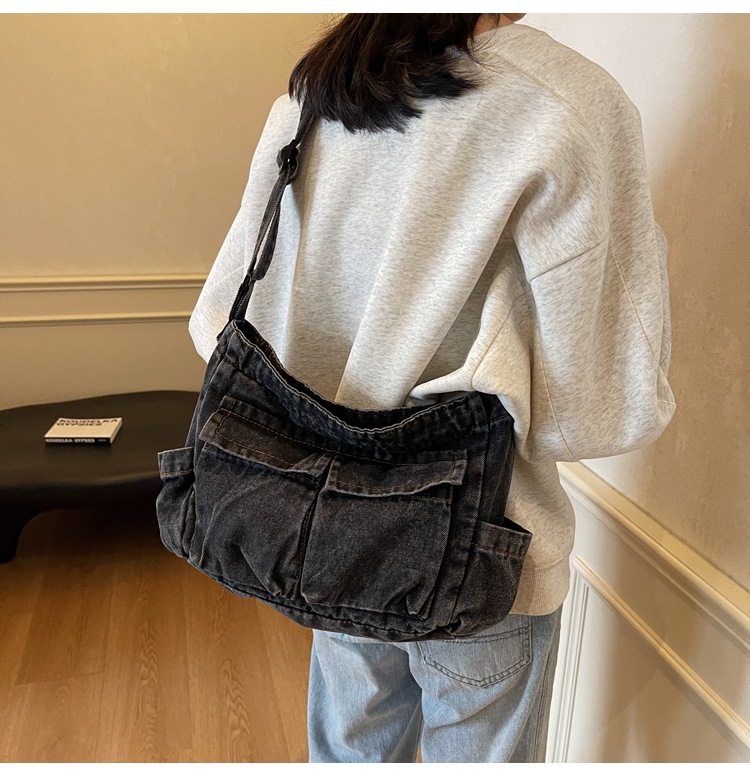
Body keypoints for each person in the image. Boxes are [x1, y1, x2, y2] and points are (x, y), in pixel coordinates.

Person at [188, 13, 676, 763]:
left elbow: (218, 320)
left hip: (327, 533)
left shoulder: (319, 93)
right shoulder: (564, 103)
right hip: (481, 548)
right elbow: (602, 409)